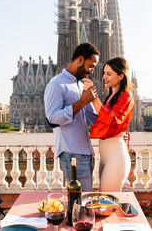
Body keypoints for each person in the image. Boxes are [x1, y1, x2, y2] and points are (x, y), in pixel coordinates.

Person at [44, 42, 100, 191]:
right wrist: (81, 102)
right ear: (80, 60)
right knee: (80, 201)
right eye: (91, 65)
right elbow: (52, 118)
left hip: (86, 153)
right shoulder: (56, 84)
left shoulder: (81, 85)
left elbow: (93, 118)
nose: (92, 70)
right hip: (71, 153)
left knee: (85, 199)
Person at [85, 56, 134, 192]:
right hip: (106, 157)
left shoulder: (126, 96)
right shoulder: (110, 96)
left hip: (116, 157)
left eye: (109, 74)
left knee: (106, 203)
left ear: (120, 76)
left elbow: (111, 119)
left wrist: (94, 97)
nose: (104, 77)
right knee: (105, 200)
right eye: (104, 73)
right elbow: (101, 118)